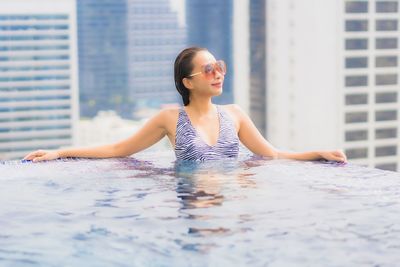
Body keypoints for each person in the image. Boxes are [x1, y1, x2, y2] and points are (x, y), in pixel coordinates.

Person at [24, 47, 347, 163]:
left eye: (219, 66)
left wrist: (317, 153)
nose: (218, 74)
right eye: (209, 69)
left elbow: (271, 153)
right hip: (193, 205)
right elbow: (118, 149)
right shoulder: (169, 118)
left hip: (232, 202)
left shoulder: (234, 114)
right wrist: (59, 152)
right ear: (188, 82)